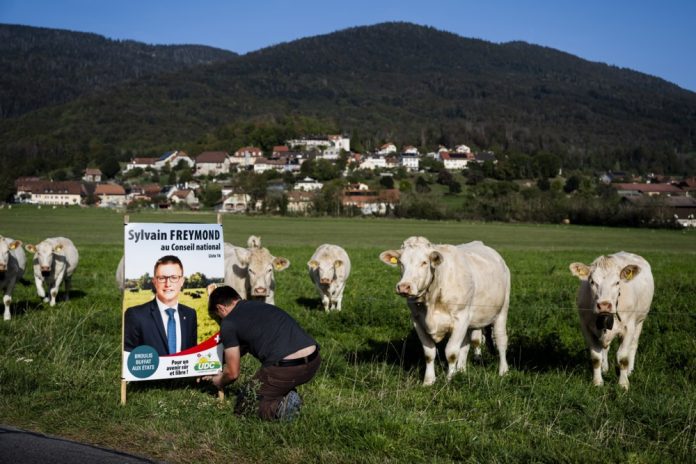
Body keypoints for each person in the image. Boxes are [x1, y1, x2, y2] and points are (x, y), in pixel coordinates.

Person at [207, 285, 320, 421]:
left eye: (217, 317)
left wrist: (219, 380)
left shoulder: (229, 323)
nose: (219, 321)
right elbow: (244, 347)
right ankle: (282, 392)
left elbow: (232, 374)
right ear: (237, 298)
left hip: (286, 368)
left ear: (220, 308)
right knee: (269, 386)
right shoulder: (258, 306)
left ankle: (283, 407)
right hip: (313, 360)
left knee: (245, 404)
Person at [123, 255, 197, 355]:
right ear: (154, 282)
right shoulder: (135, 315)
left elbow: (192, 354)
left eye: (174, 277)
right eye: (162, 278)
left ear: (182, 281)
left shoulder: (190, 314)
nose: (168, 284)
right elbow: (129, 359)